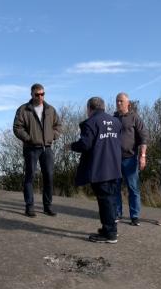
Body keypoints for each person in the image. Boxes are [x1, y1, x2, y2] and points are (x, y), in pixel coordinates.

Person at [70, 97, 122, 243]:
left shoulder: (91, 122)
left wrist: (71, 146)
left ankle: (109, 234)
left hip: (100, 168)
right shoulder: (116, 121)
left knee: (105, 200)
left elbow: (85, 145)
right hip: (114, 166)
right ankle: (110, 229)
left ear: (89, 108)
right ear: (103, 107)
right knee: (110, 200)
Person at [13, 83, 62, 217]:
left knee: (49, 177)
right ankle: (29, 206)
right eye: (37, 94)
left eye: (42, 94)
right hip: (31, 149)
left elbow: (58, 125)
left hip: (47, 148)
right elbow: (17, 128)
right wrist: (29, 139)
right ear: (32, 94)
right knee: (30, 177)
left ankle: (47, 206)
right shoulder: (23, 109)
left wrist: (53, 136)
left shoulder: (50, 109)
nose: (40, 97)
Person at [114, 92, 149, 226]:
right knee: (115, 188)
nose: (118, 103)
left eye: (121, 101)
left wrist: (143, 156)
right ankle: (117, 214)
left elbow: (143, 138)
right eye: (117, 101)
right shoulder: (113, 118)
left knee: (133, 189)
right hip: (115, 160)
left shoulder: (135, 118)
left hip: (131, 159)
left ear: (128, 103)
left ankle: (134, 216)